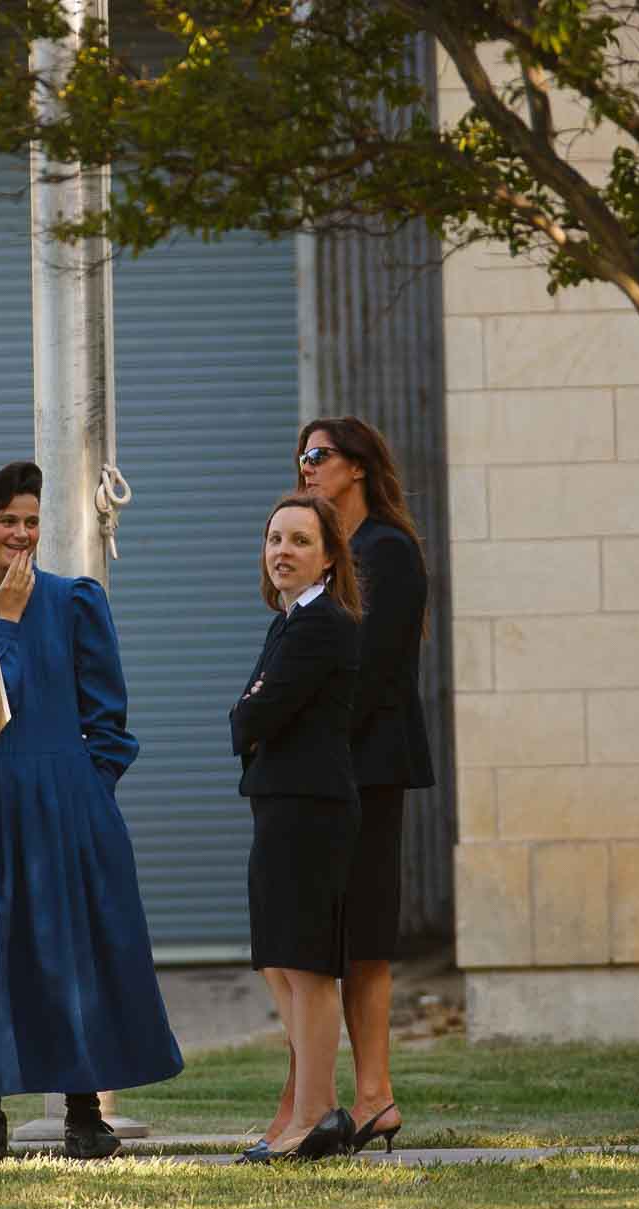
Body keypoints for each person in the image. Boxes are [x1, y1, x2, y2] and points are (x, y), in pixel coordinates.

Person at [0, 461, 183, 1161]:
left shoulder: (77, 602)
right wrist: (5, 621)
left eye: (32, 522)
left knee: (74, 954)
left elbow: (110, 718)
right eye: (9, 522)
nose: (23, 535)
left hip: (66, 804)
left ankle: (84, 1110)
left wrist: (88, 789)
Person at [295, 415, 436, 1155]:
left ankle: (376, 1094)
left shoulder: (388, 551)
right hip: (321, 770)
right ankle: (334, 1099)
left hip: (368, 767)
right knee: (324, 935)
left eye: (318, 456)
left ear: (356, 467)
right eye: (301, 457)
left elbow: (373, 672)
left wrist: (319, 741)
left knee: (366, 936)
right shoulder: (326, 554)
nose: (306, 467)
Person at [231, 493, 363, 1162]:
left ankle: (313, 1117)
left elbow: (254, 715)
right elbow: (253, 709)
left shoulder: (323, 626)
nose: (282, 550)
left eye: (300, 541)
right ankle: (319, 1109)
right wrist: (252, 710)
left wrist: (251, 712)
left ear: (329, 558)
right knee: (278, 964)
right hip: (280, 804)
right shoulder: (288, 623)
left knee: (308, 969)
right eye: (274, 537)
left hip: (311, 809)